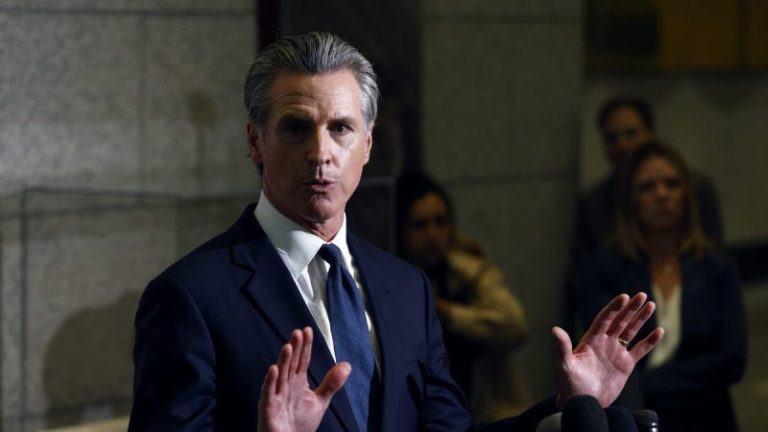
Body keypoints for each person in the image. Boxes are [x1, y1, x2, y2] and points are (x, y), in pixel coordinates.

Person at [129, 32, 664, 432]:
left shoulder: (405, 287)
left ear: (367, 145)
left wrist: (566, 407)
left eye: (341, 128)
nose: (320, 153)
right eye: (296, 127)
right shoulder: (191, 297)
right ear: (255, 141)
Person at [576, 141, 747, 431]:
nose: (662, 194)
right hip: (634, 415)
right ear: (631, 200)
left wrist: (649, 380)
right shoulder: (605, 269)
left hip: (708, 415)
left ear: (686, 194)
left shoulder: (716, 268)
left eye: (671, 184)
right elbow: (604, 355)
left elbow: (732, 360)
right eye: (647, 187)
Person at [564, 95, 724, 333]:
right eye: (612, 138)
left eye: (631, 134)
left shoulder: (696, 190)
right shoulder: (595, 204)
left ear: (650, 134)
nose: (622, 144)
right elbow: (582, 280)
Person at [396, 172, 531, 420]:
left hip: (482, 410)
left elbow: (515, 325)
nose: (432, 235)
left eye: (441, 222)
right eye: (420, 225)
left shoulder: (469, 271)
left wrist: (446, 312)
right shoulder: (390, 280)